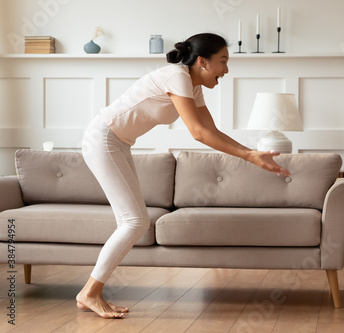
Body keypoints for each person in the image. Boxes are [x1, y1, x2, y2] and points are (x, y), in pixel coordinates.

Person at [76, 33, 290, 319]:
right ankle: (89, 293)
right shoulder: (176, 76)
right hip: (102, 138)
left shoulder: (192, 85)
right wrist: (249, 156)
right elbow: (198, 133)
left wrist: (252, 153)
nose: (226, 70)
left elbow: (211, 130)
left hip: (118, 142)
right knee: (134, 221)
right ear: (202, 61)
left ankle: (91, 292)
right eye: (222, 61)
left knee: (133, 221)